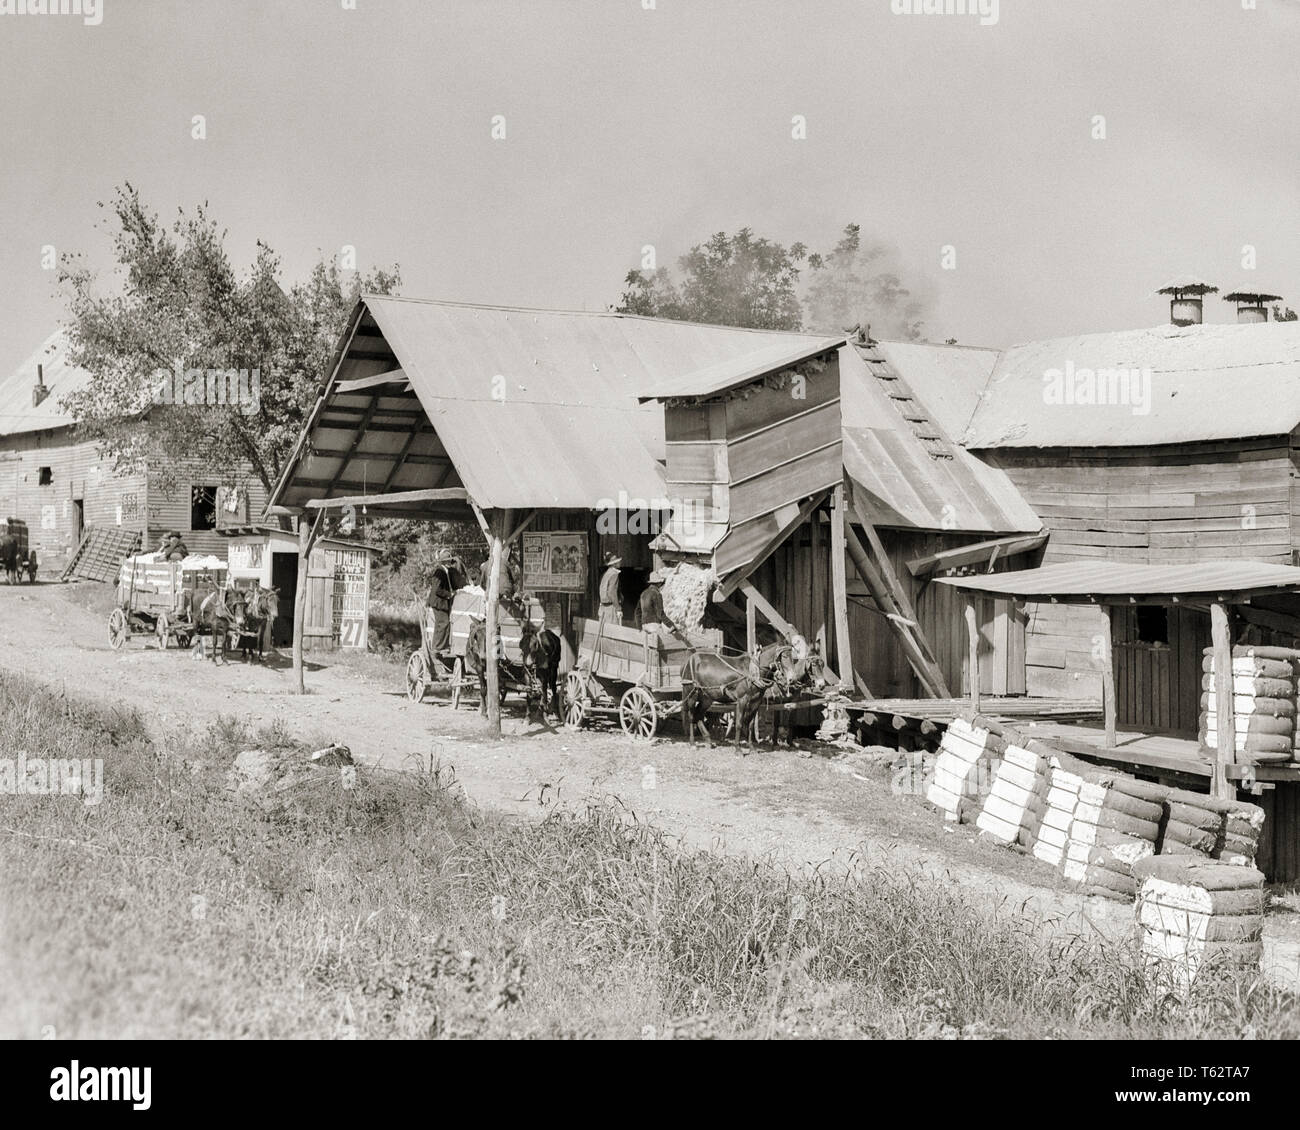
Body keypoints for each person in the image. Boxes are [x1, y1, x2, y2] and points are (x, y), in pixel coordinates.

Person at [425, 558, 456, 663]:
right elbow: (437, 589)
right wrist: (449, 594)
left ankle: (437, 647)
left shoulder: (444, 571)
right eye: (449, 562)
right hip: (438, 602)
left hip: (439, 602)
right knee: (444, 623)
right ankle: (438, 647)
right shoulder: (440, 572)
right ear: (445, 562)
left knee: (440, 624)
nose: (450, 564)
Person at [635, 570, 679, 635]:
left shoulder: (643, 593)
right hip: (654, 626)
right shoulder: (657, 594)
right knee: (666, 643)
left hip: (644, 626)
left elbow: (637, 612)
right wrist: (671, 625)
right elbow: (660, 613)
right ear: (658, 583)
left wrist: (639, 627)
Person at [597, 552, 622, 626]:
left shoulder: (607, 573)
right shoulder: (614, 574)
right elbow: (611, 592)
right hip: (610, 608)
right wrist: (618, 608)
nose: (619, 562)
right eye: (617, 561)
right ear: (614, 564)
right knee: (613, 632)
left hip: (603, 607)